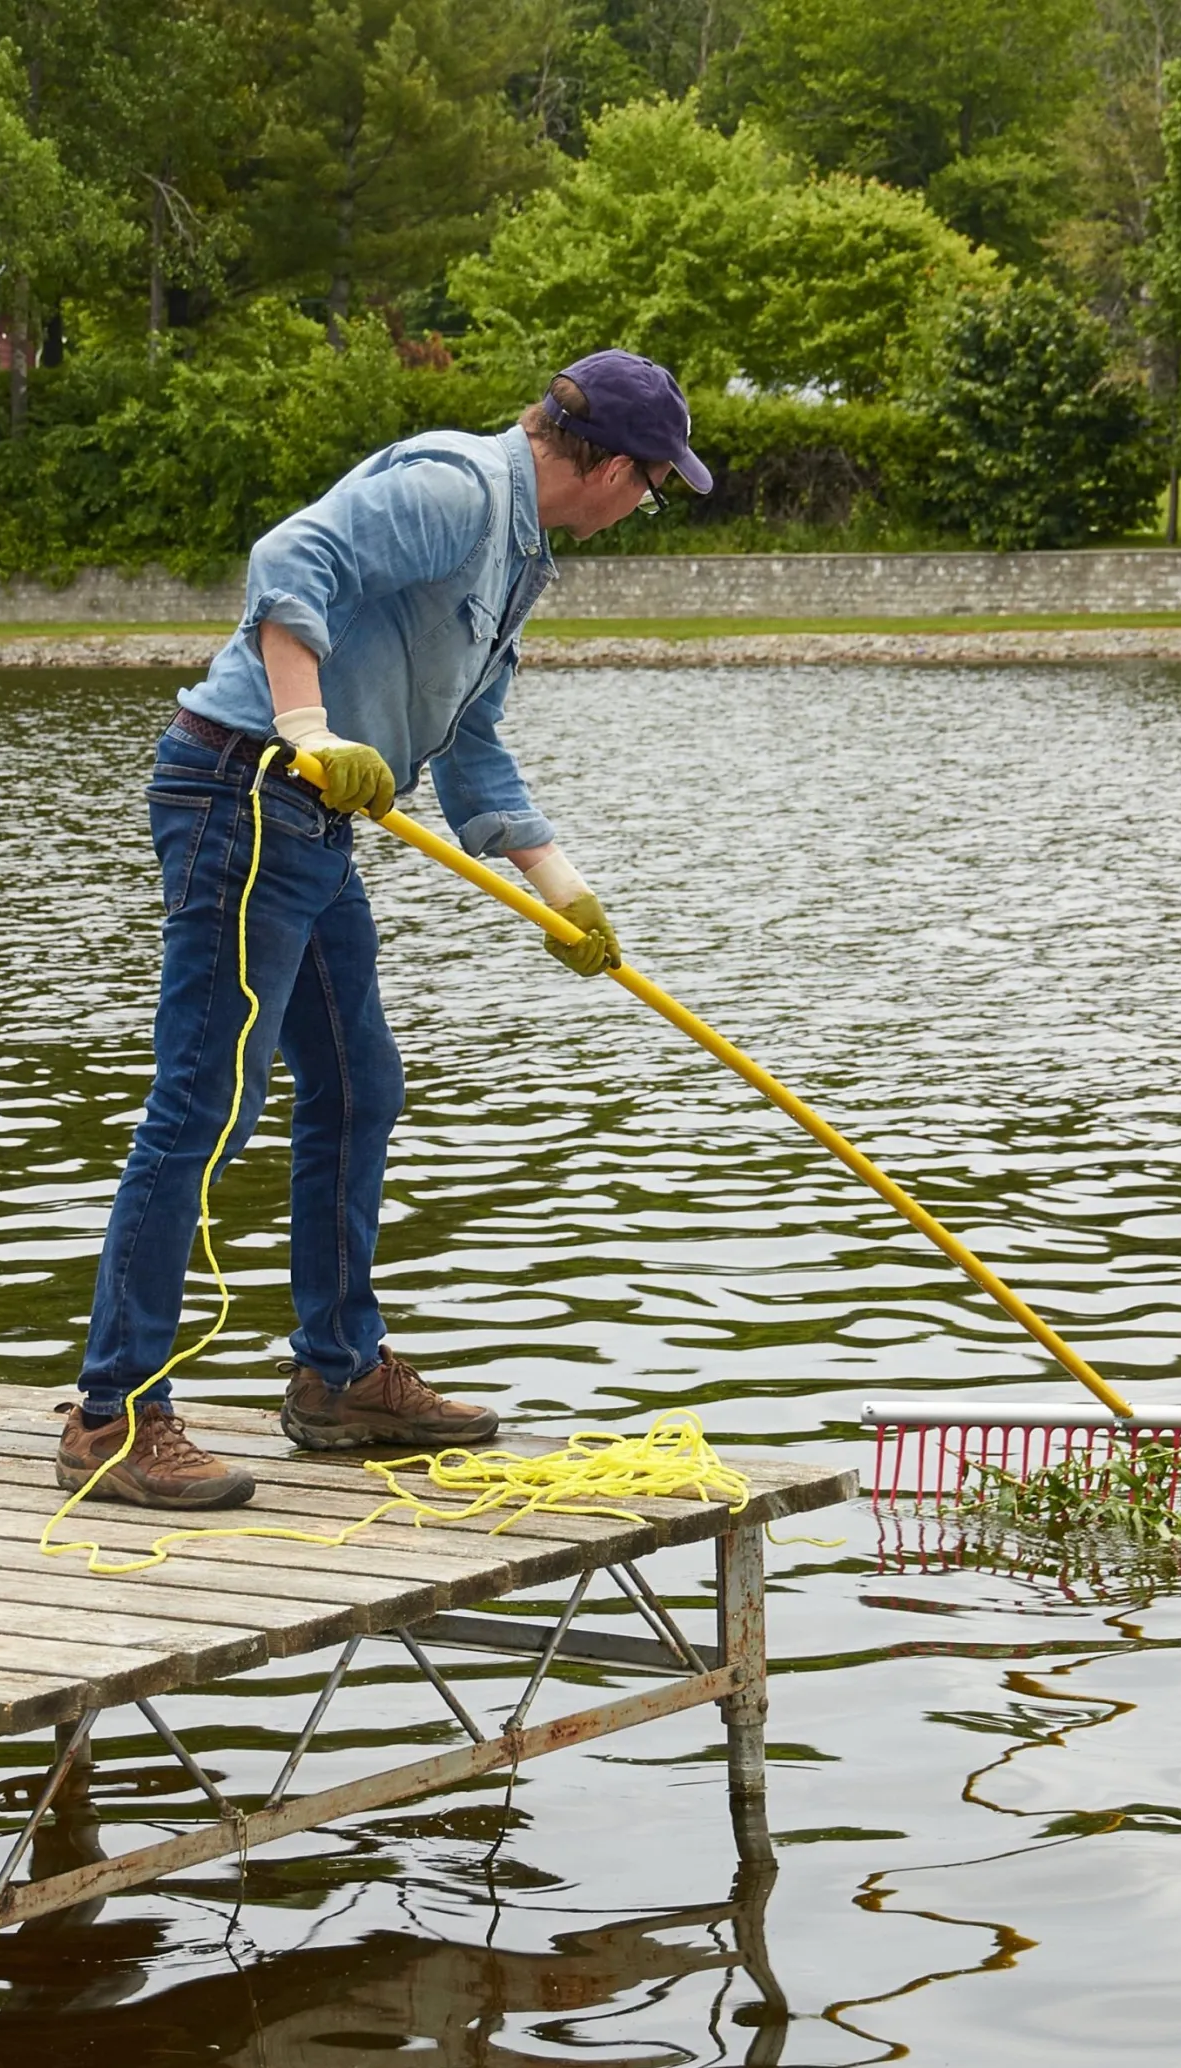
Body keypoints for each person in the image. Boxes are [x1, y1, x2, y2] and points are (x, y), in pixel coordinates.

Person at [57, 349, 713, 1508]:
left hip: (316, 818)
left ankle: (338, 1376)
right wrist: (308, 724)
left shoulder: (520, 559)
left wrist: (559, 889)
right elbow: (288, 557)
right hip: (245, 791)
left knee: (360, 1084)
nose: (646, 504)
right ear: (612, 465)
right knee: (204, 1101)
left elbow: (469, 740)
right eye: (655, 483)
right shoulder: (458, 487)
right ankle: (115, 1414)